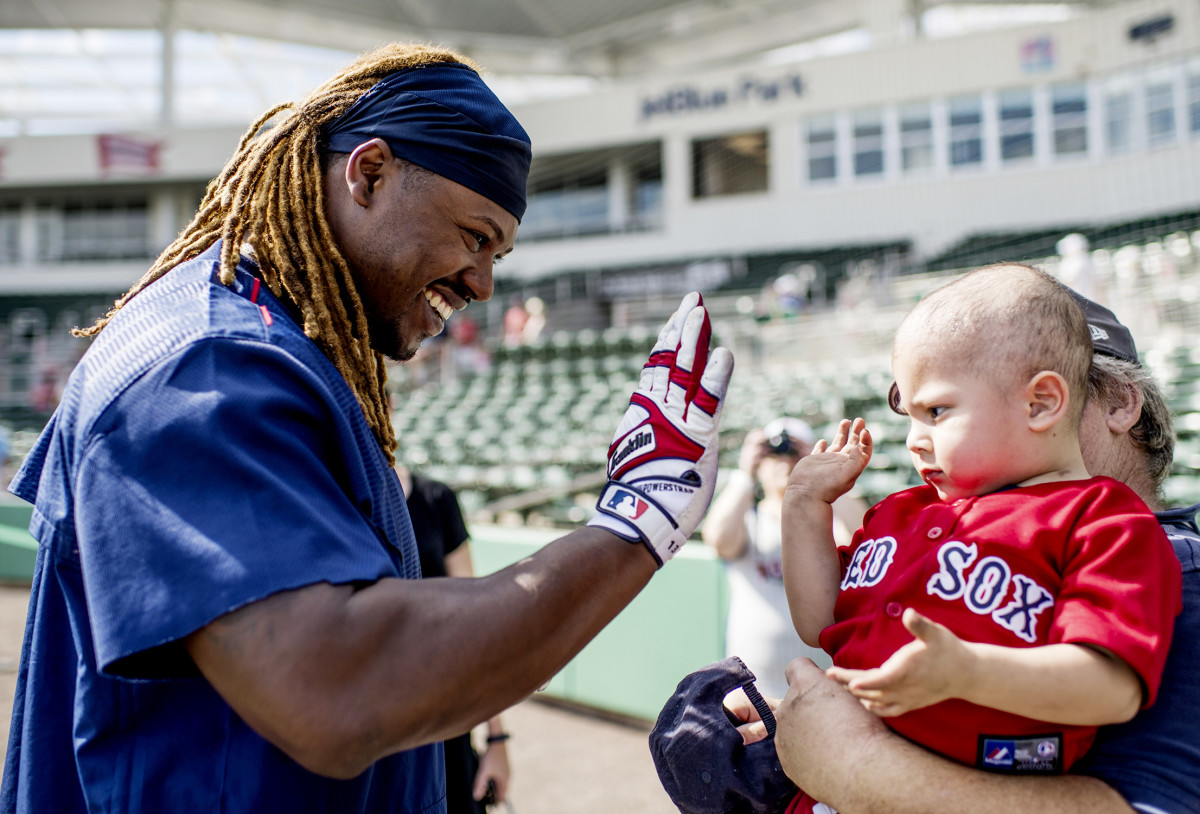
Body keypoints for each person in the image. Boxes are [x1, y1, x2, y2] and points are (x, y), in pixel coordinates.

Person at [0, 44, 734, 814]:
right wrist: (635, 523)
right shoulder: (209, 364)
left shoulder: (269, 344)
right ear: (370, 173)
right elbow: (335, 689)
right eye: (475, 237)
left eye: (499, 253)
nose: (483, 282)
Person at [770, 286, 1198, 814]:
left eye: (939, 410)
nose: (914, 440)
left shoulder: (1142, 543)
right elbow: (824, 622)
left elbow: (1150, 789)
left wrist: (852, 760)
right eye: (910, 410)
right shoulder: (908, 513)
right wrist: (803, 505)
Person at [700, 418, 865, 698]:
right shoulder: (748, 518)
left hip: (823, 684)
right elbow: (717, 538)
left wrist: (821, 475)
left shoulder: (832, 521)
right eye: (773, 453)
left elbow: (866, 537)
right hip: (752, 686)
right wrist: (744, 474)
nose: (784, 461)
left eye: (794, 454)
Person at [396, 464, 511, 813]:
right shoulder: (337, 495)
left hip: (447, 720)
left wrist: (497, 738)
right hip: (375, 725)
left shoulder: (436, 497)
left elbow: (472, 625)